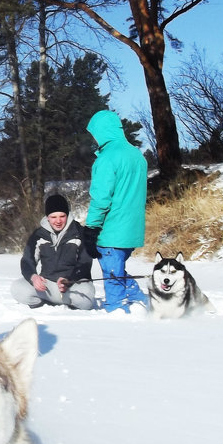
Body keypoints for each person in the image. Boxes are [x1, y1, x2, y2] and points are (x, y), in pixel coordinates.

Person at [82, 109, 148, 313]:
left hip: (112, 230)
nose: (93, 138)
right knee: (116, 270)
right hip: (132, 229)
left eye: (94, 133)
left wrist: (91, 228)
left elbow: (101, 199)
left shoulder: (106, 159)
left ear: (102, 131)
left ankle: (118, 311)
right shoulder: (137, 156)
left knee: (112, 276)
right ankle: (141, 301)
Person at [11, 194, 96, 311]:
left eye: (62, 216)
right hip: (48, 286)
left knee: (87, 295)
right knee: (17, 288)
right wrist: (33, 277)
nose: (58, 221)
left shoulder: (80, 233)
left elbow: (85, 263)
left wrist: (69, 279)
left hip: (72, 286)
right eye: (53, 217)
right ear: (47, 217)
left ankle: (70, 305)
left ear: (68, 215)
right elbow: (27, 260)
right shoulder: (38, 235)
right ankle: (43, 303)